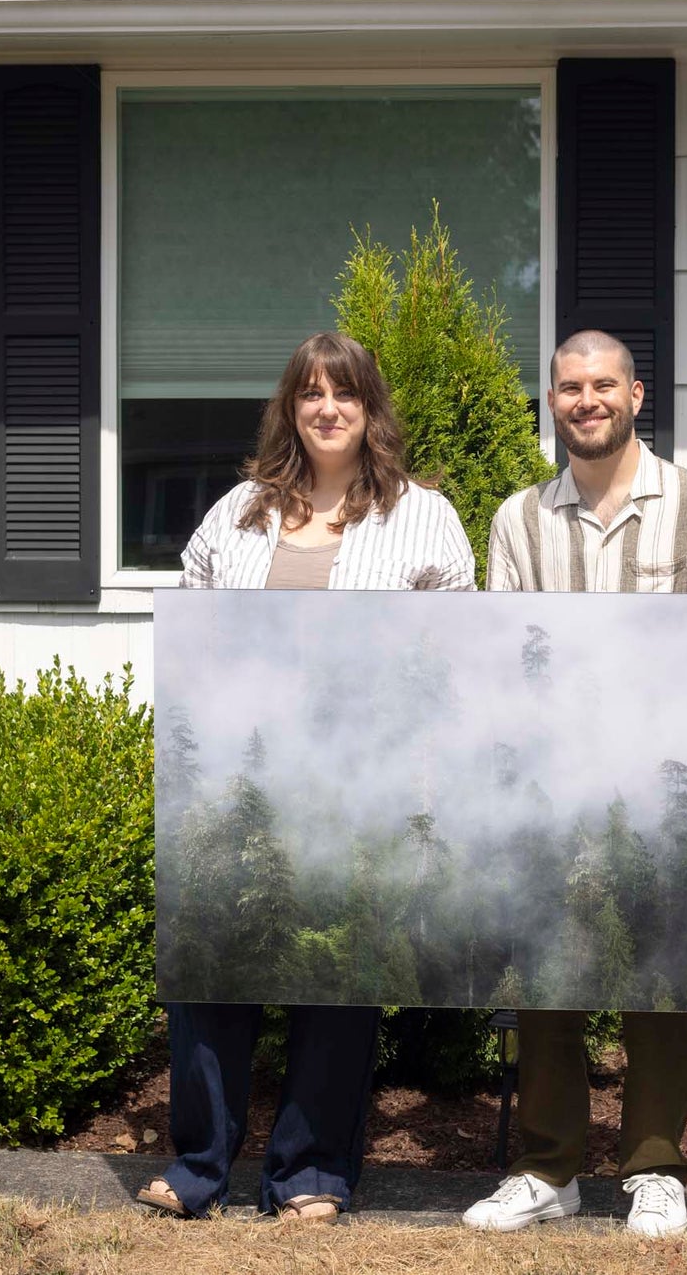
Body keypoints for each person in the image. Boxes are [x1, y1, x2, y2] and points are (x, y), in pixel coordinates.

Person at [137, 330, 474, 1223]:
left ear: (371, 410)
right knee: (216, 969)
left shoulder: (420, 517)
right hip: (237, 782)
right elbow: (191, 628)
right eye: (311, 393)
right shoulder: (240, 511)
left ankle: (314, 1171)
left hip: (358, 782)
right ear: (291, 408)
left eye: (346, 394)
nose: (328, 408)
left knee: (337, 974)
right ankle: (203, 1163)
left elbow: (452, 652)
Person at [463, 329, 687, 1239]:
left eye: (603, 385)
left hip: (668, 785)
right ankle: (546, 1170)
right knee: (550, 974)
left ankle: (654, 1171)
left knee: (662, 974)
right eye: (569, 387)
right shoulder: (518, 521)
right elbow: (503, 661)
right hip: (556, 788)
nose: (586, 400)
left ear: (638, 396)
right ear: (552, 403)